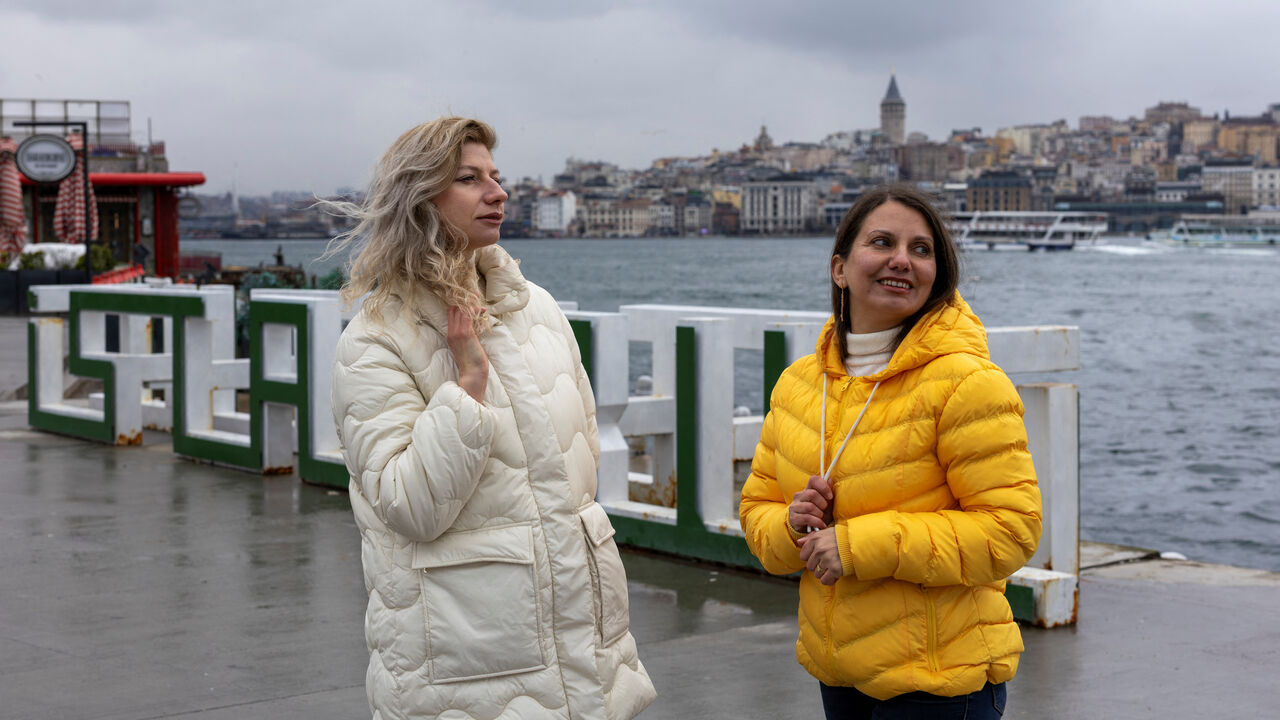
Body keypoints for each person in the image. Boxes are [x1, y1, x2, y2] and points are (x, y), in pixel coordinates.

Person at [326, 117, 656, 720]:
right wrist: (468, 384)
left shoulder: (541, 313)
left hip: (584, 650)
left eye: (497, 177)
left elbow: (576, 478)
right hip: (468, 665)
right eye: (470, 179)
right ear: (421, 198)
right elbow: (411, 507)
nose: (497, 192)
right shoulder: (375, 342)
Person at [739, 183, 1042, 719]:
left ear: (937, 273)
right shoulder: (800, 386)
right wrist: (792, 524)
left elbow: (1010, 532)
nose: (902, 260)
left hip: (941, 677)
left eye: (921, 249)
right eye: (882, 242)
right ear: (840, 268)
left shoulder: (966, 383)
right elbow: (756, 514)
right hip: (839, 669)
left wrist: (858, 545)